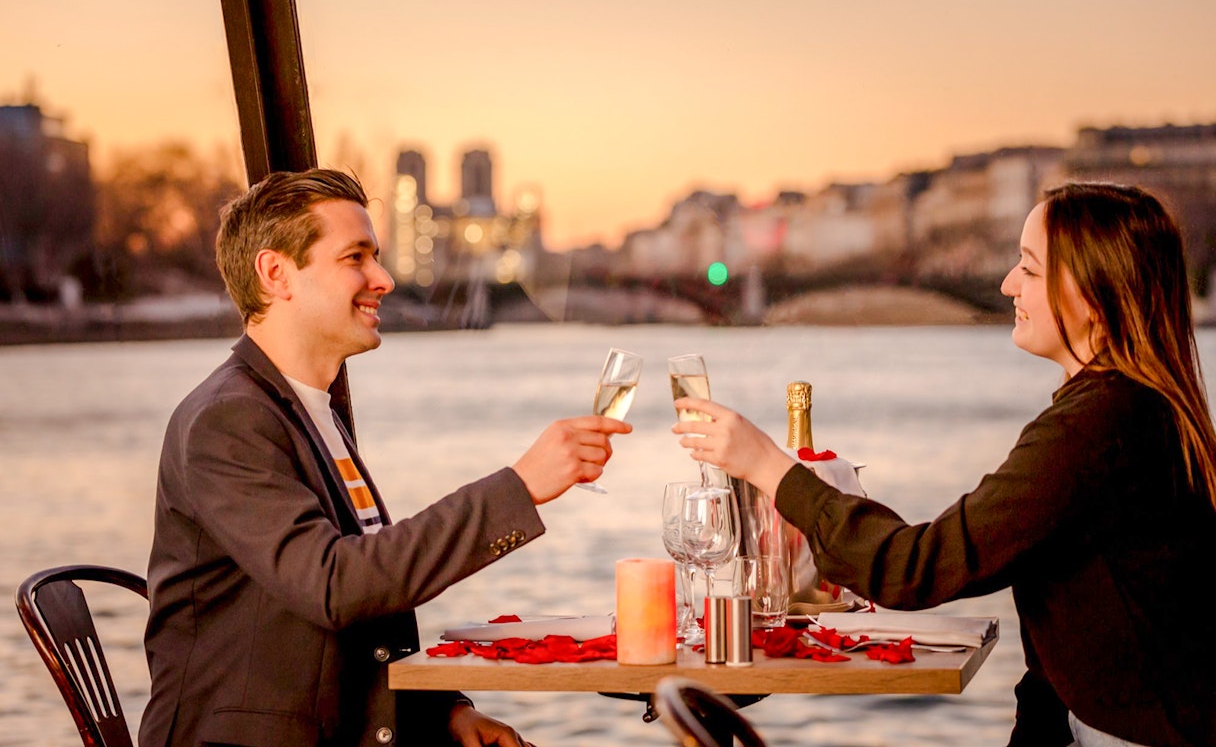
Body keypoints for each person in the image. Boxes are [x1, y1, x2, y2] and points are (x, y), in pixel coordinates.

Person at [673, 182, 1216, 747]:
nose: (1008, 284)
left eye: (1028, 269)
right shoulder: (1140, 408)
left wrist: (767, 465)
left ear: (1093, 296)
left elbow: (914, 568)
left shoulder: (1093, 428)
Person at [140, 168, 630, 747]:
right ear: (276, 274)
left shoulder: (310, 412)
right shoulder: (227, 421)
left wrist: (445, 712)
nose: (384, 279)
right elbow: (336, 585)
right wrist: (518, 488)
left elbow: (370, 602)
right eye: (356, 257)